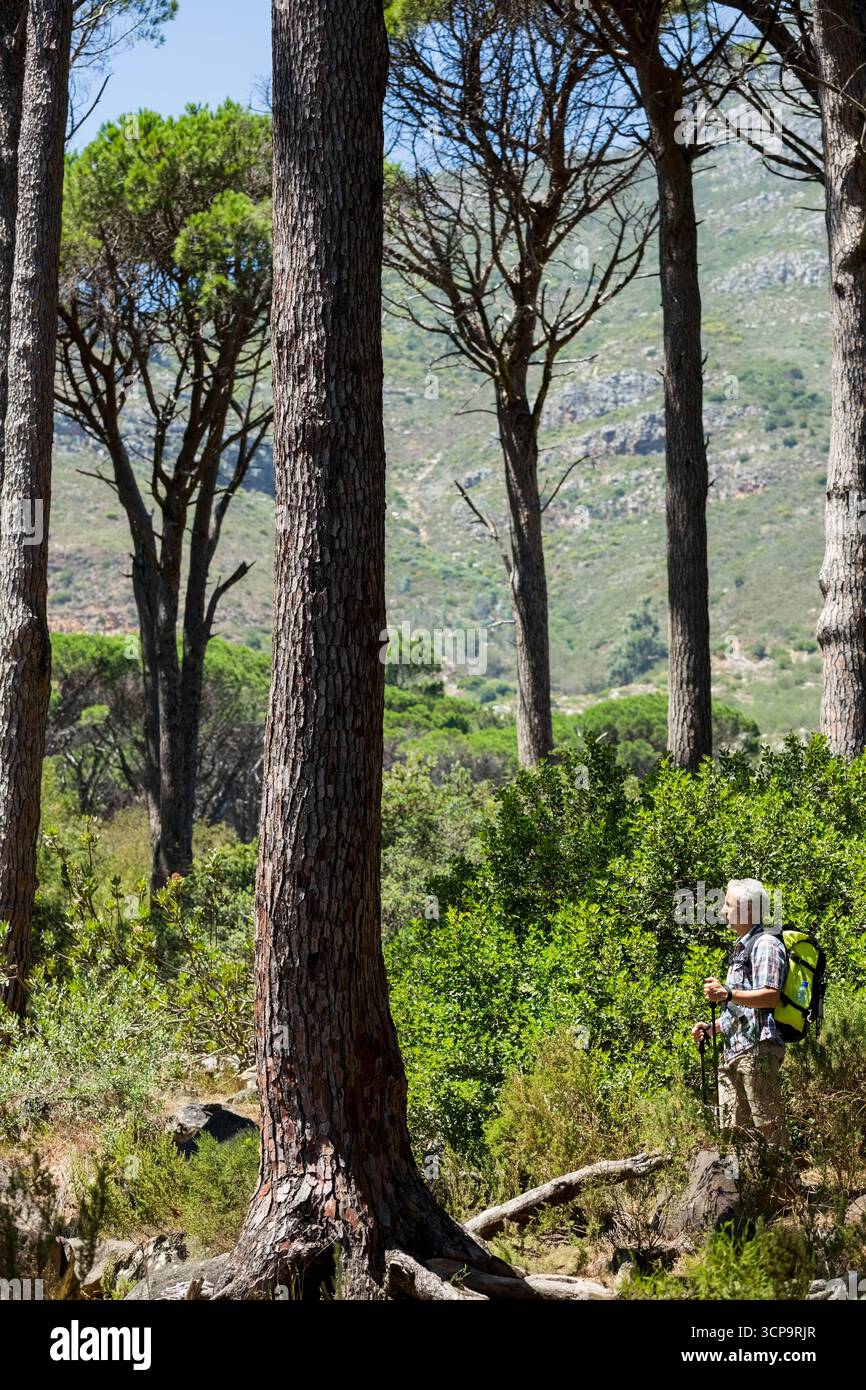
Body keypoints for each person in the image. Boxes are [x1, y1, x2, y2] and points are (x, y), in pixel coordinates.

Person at [692, 878, 789, 1150]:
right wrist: (713, 1029)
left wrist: (727, 994)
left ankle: (787, 1186)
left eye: (728, 904)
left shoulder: (766, 943)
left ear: (747, 909)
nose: (722, 911)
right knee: (734, 1130)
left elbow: (770, 995)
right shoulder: (740, 949)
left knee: (767, 1124)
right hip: (734, 1051)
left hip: (758, 1049)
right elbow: (741, 1009)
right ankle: (747, 1189)